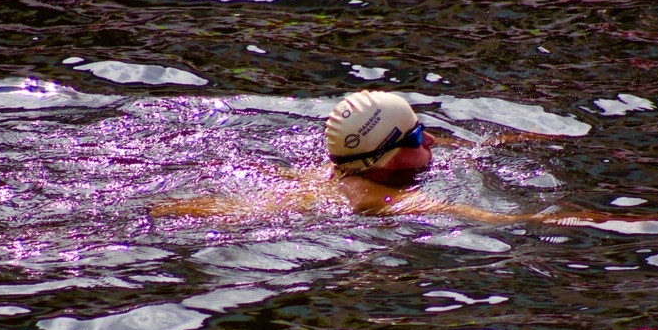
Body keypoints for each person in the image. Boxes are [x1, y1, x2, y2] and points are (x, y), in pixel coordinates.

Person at [151, 90, 597, 225]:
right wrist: (568, 219)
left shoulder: (359, 160)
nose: (431, 142)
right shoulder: (372, 196)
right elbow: (471, 213)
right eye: (419, 135)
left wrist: (523, 139)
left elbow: (465, 146)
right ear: (387, 155)